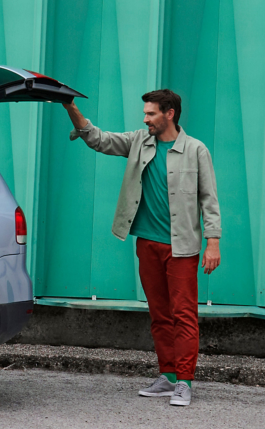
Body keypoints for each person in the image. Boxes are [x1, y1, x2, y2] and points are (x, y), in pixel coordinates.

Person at [63, 89, 221, 406]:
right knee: (160, 314)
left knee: (184, 315)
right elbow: (98, 139)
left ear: (169, 114)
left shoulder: (195, 150)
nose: (145, 118)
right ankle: (168, 375)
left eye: (150, 113)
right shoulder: (140, 141)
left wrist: (212, 242)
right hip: (147, 243)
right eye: (145, 114)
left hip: (182, 248)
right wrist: (70, 106)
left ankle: (185, 382)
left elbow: (209, 198)